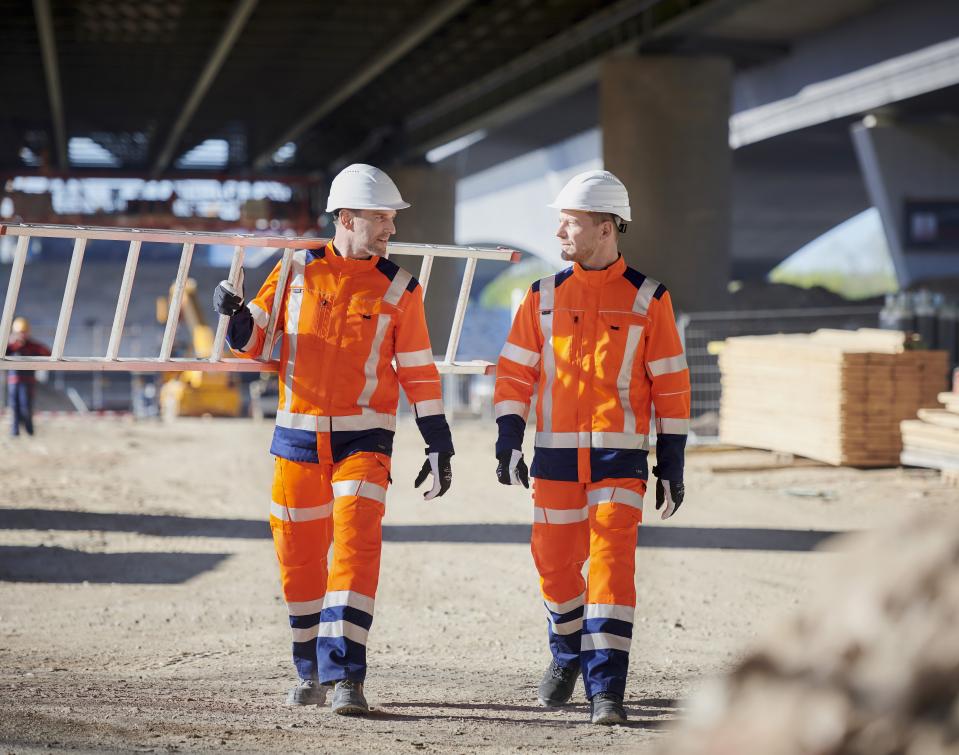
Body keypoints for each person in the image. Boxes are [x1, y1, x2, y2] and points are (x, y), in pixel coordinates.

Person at [214, 164, 454, 715]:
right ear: (347, 218)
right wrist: (233, 317)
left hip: (364, 440)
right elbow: (254, 343)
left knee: (354, 547)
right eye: (382, 218)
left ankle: (348, 676)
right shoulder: (295, 269)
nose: (390, 229)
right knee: (298, 559)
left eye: (392, 219)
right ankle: (310, 668)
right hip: (296, 439)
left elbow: (418, 369)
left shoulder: (400, 287)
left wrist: (438, 439)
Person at [493, 170, 690, 725]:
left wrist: (670, 460)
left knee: (609, 572)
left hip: (619, 462)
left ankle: (607, 690)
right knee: (554, 567)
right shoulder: (543, 297)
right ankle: (567, 651)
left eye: (571, 221)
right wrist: (510, 435)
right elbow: (514, 374)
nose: (559, 230)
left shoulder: (650, 299)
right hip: (555, 459)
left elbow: (671, 384)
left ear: (604, 228)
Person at [6, 317, 51, 437]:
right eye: (20, 333)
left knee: (26, 406)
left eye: (24, 333)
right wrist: (11, 343)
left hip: (28, 381)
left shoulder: (33, 346)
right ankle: (14, 432)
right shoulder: (10, 347)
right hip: (13, 381)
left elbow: (48, 353)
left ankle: (29, 430)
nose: (22, 335)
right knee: (14, 407)